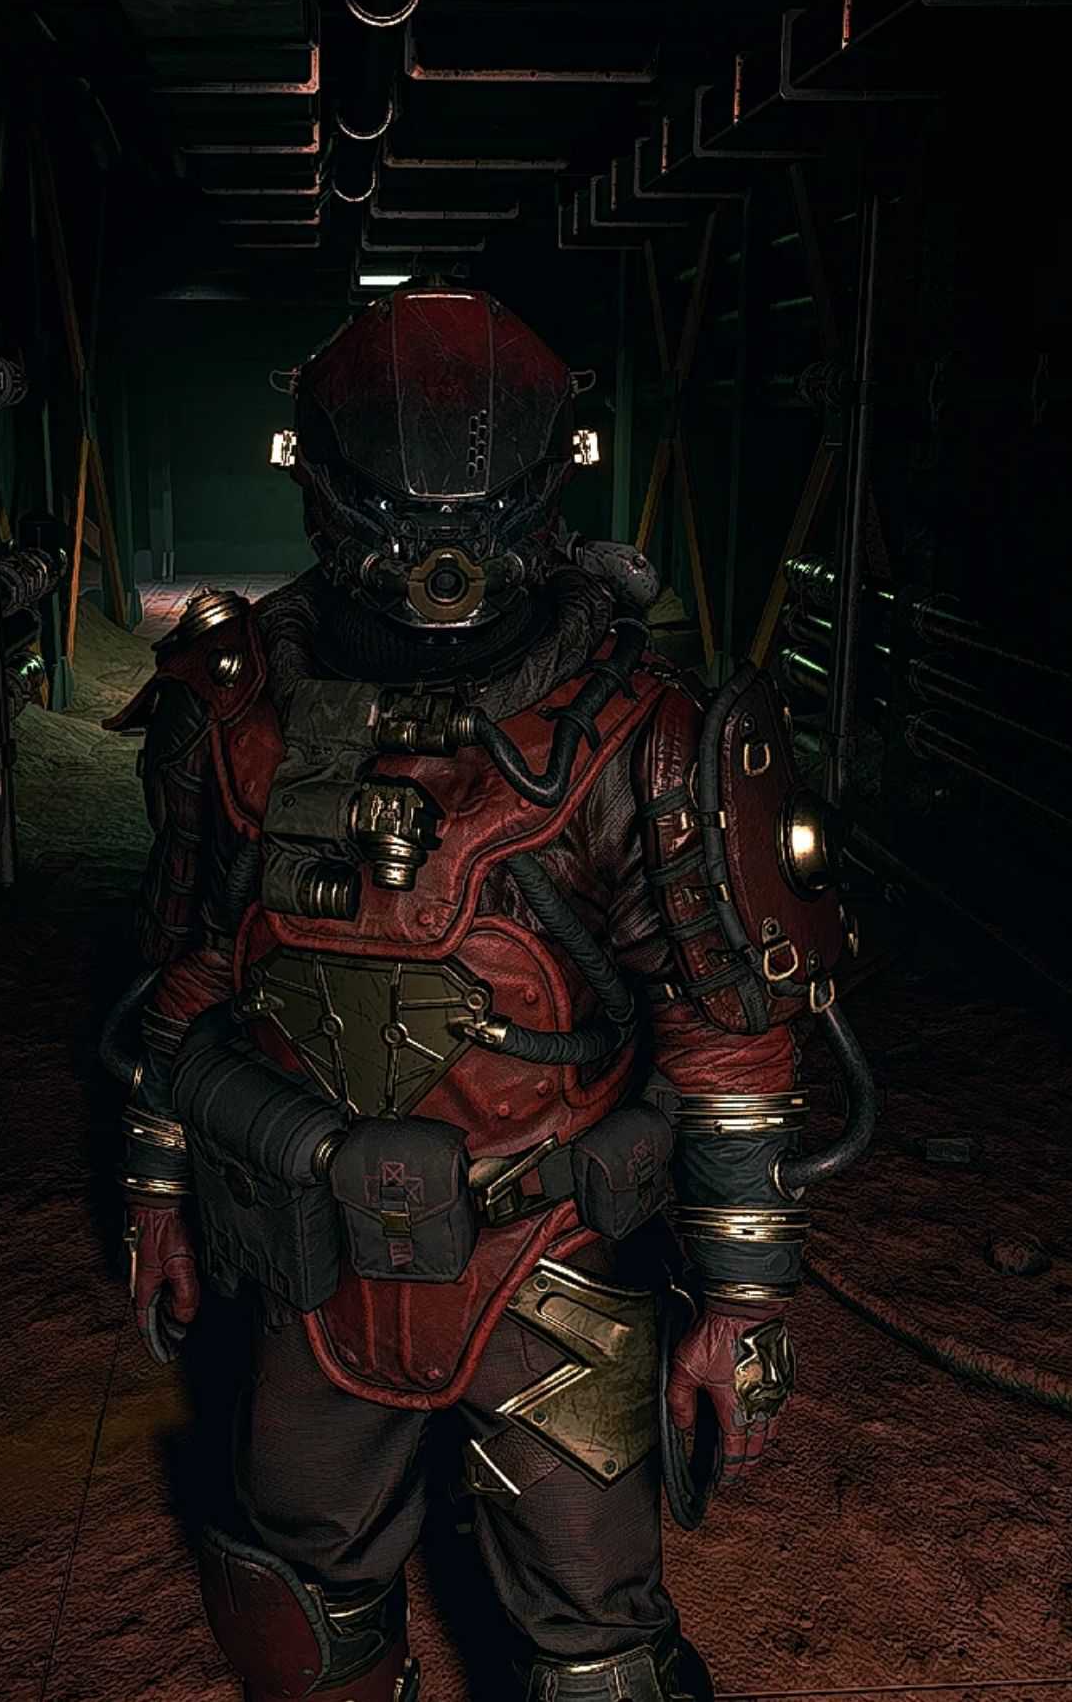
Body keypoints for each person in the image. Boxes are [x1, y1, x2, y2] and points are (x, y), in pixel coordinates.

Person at [103, 287, 872, 1702]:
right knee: (299, 1607)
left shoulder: (642, 735)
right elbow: (197, 969)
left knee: (596, 1645)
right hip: (311, 1255)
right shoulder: (236, 708)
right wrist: (159, 1188)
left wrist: (743, 1300)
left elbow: (727, 1041)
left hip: (551, 1259)